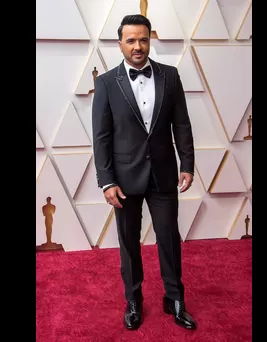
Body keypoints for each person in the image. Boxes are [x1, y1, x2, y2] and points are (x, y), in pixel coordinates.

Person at [92, 14, 197, 330]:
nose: (138, 46)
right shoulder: (107, 82)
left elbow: (181, 124)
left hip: (164, 173)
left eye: (143, 39)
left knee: (169, 239)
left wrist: (187, 164)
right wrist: (106, 179)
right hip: (124, 179)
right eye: (131, 40)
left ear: (150, 39)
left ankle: (175, 299)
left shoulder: (170, 75)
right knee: (129, 244)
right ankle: (134, 300)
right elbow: (102, 135)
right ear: (120, 43)